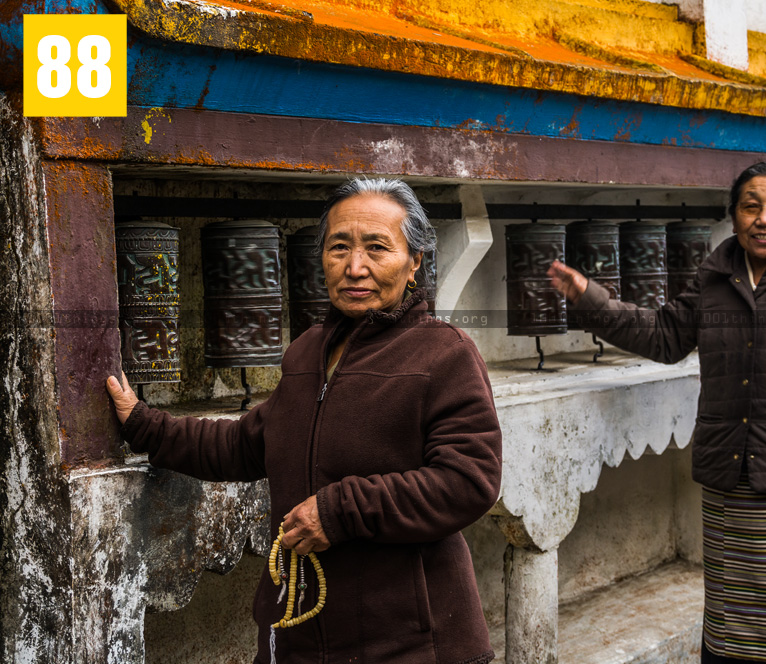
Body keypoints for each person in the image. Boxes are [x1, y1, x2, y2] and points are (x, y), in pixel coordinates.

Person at [107, 178, 503, 664]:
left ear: (415, 260)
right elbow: (246, 444)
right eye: (339, 247)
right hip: (299, 634)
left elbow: (468, 481)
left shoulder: (445, 354)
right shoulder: (307, 351)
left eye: (377, 248)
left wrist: (340, 512)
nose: (355, 267)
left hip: (410, 642)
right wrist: (143, 424)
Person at [548, 161, 766, 664]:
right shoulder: (715, 279)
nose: (764, 218)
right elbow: (664, 336)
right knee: (737, 629)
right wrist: (589, 299)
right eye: (750, 206)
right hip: (734, 491)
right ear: (733, 216)